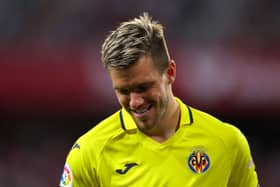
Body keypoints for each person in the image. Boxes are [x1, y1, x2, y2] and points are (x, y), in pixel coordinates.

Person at [59, 12, 259, 187]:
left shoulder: (226, 142)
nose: (135, 102)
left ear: (170, 72)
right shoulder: (90, 152)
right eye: (123, 91)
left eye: (143, 87)